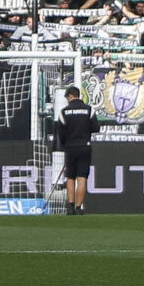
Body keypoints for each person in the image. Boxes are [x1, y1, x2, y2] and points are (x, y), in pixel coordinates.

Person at [56, 85, 98, 215]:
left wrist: (65, 146)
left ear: (70, 96)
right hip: (85, 146)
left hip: (70, 147)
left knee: (70, 177)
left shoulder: (64, 112)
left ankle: (70, 206)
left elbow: (61, 133)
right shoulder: (89, 110)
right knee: (82, 178)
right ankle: (79, 208)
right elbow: (96, 127)